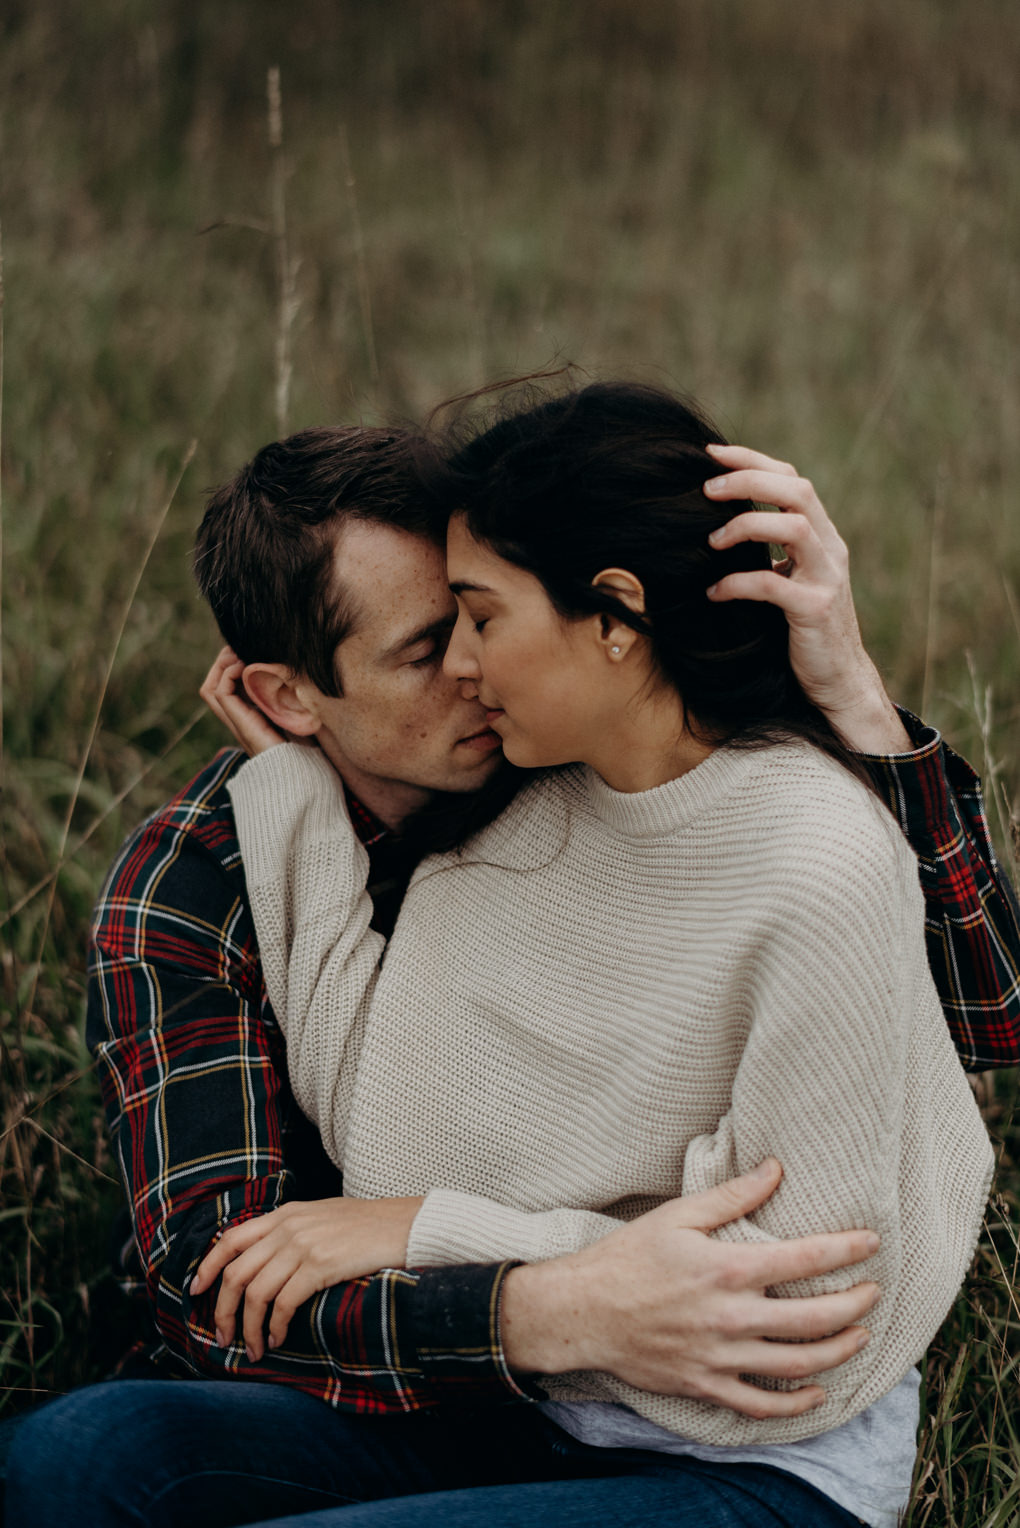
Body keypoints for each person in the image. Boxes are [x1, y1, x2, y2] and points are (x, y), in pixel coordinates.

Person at [6, 409, 1017, 1528]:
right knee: (74, 1459)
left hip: (737, 1445)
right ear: (293, 698)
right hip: (458, 1395)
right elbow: (215, 1279)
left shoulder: (578, 755)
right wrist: (554, 1308)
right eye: (425, 648)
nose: (475, 671)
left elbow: (989, 1017)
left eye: (475, 616)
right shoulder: (199, 886)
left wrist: (858, 701)